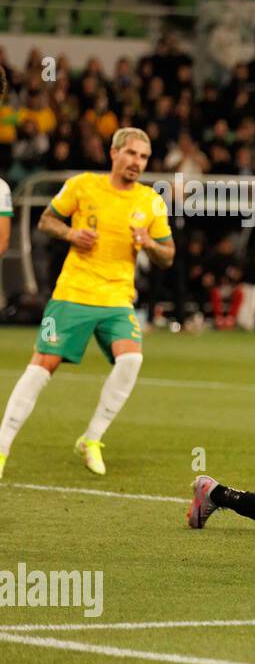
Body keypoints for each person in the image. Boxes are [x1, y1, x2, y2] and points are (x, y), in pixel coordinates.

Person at [0, 128, 173, 479]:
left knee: (132, 359)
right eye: (131, 154)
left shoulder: (151, 202)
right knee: (40, 368)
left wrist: (151, 245)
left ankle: (91, 439)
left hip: (117, 297)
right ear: (114, 153)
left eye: (143, 157)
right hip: (74, 293)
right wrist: (70, 233)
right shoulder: (83, 185)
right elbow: (46, 220)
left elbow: (168, 256)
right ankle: (1, 448)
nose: (136, 162)